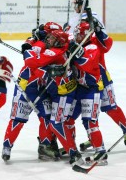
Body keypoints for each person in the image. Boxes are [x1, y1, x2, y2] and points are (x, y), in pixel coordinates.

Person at [67, 0, 126, 152]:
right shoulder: (76, 22)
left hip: (99, 76)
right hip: (81, 78)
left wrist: (98, 30)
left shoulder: (93, 29)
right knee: (84, 113)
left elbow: (107, 44)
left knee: (109, 107)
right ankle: (90, 139)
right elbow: (68, 38)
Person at [24, 25, 84, 166]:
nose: (49, 39)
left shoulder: (54, 52)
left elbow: (31, 62)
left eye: (52, 38)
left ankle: (73, 152)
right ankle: (70, 147)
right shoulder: (63, 45)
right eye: (49, 37)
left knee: (56, 124)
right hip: (63, 90)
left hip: (63, 94)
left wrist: (27, 49)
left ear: (58, 42)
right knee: (64, 122)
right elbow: (68, 38)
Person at [2, 27, 60, 162]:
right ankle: (6, 147)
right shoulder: (39, 45)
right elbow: (29, 50)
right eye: (50, 37)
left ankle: (44, 147)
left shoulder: (56, 49)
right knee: (18, 119)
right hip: (25, 87)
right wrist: (31, 41)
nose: (52, 40)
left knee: (46, 118)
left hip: (41, 89)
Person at [68, 21, 108, 165]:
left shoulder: (93, 47)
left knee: (90, 121)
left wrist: (75, 53)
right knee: (67, 119)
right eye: (76, 32)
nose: (76, 35)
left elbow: (86, 63)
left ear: (87, 34)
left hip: (91, 90)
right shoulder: (76, 42)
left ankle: (100, 151)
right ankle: (71, 149)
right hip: (78, 89)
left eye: (80, 33)